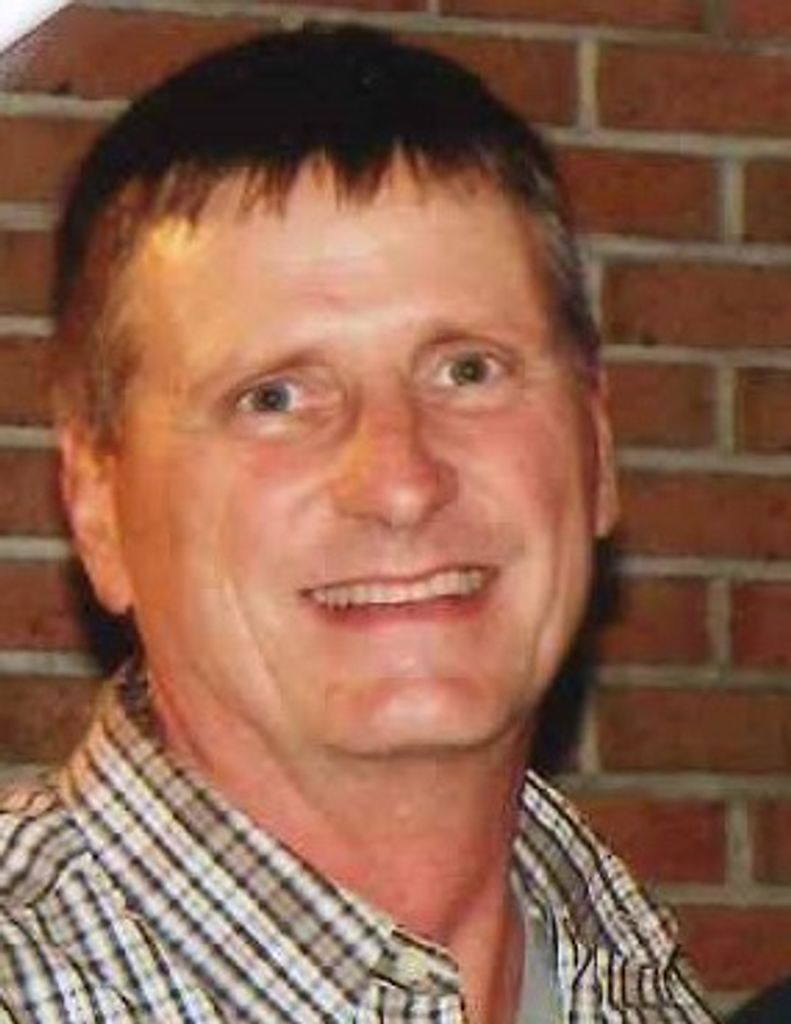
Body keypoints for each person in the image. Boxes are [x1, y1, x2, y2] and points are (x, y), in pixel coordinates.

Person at [0, 24, 719, 1023]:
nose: (400, 481)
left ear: (595, 449)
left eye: (466, 369)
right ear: (96, 508)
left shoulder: (633, 986)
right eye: (274, 397)